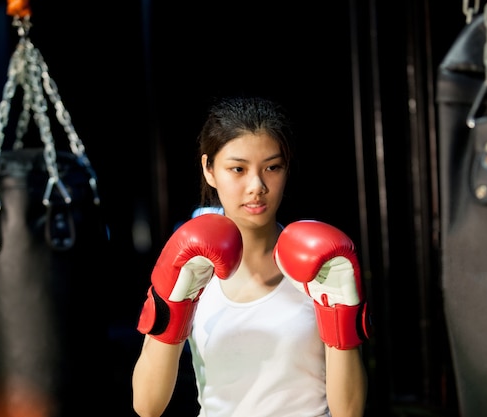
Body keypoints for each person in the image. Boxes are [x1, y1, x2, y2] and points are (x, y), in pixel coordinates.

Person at [131, 96, 370, 417]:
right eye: (238, 169)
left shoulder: (322, 267)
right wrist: (174, 303)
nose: (256, 185)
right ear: (209, 170)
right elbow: (147, 406)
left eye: (272, 167)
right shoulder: (191, 266)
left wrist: (341, 310)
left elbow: (350, 412)